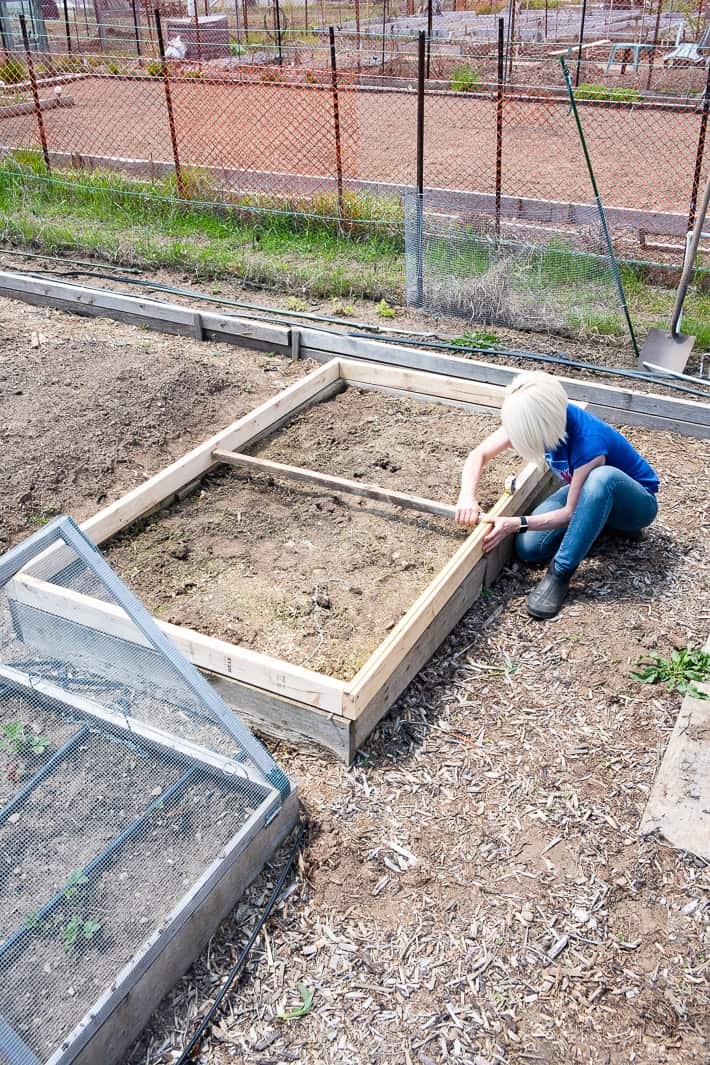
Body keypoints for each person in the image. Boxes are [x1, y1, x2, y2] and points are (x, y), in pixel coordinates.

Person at [454, 371, 659, 619]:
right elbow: (479, 455)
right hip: (587, 492)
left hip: (635, 504)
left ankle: (560, 574)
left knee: (601, 478)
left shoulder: (588, 442)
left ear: (545, 427)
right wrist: (467, 497)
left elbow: (568, 513)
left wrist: (513, 523)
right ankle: (599, 522)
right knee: (529, 548)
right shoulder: (535, 416)